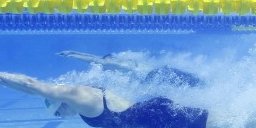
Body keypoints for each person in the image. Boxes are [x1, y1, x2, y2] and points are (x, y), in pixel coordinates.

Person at [0, 70, 221, 128]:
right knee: (231, 121)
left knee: (233, 123)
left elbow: (34, 87)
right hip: (159, 117)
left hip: (163, 117)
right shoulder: (83, 104)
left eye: (57, 114)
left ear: (60, 104)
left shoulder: (81, 98)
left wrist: (0, 77)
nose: (60, 118)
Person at [57, 50, 203, 88]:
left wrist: (73, 54)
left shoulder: (115, 63)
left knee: (193, 83)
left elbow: (94, 59)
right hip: (161, 72)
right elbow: (96, 57)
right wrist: (74, 52)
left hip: (155, 76)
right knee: (195, 81)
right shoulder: (127, 62)